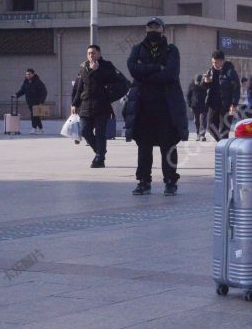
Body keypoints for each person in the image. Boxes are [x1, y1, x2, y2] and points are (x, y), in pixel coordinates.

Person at [125, 17, 189, 196]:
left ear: (163, 30)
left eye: (157, 27)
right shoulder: (137, 49)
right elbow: (132, 69)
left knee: (168, 145)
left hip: (166, 107)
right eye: (150, 26)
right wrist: (156, 68)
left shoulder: (171, 50)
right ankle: (143, 181)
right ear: (146, 29)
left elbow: (170, 73)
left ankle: (170, 181)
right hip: (143, 107)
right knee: (143, 147)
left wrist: (144, 72)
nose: (153, 29)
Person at [71, 45, 122, 167]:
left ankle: (100, 158)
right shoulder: (83, 67)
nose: (90, 55)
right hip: (85, 106)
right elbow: (79, 87)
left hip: (101, 106)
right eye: (88, 53)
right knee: (85, 131)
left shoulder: (106, 66)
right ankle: (100, 152)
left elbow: (113, 80)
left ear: (99, 53)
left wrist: (98, 70)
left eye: (93, 53)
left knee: (100, 133)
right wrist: (74, 103)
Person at [202, 50, 241, 140]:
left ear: (222, 61)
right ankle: (222, 144)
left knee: (224, 131)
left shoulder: (230, 72)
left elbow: (236, 88)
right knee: (210, 127)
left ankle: (223, 148)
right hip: (213, 105)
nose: (214, 64)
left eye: (216, 62)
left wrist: (234, 104)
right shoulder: (210, 71)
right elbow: (204, 86)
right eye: (213, 62)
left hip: (226, 106)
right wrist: (205, 82)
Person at [14, 68, 47, 134]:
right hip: (29, 101)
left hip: (37, 102)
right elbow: (22, 90)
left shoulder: (38, 82)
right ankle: (41, 128)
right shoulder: (26, 82)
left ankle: (34, 128)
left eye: (29, 74)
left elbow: (44, 92)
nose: (27, 75)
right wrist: (16, 95)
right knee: (36, 115)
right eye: (26, 74)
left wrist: (41, 102)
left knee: (34, 115)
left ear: (33, 74)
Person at [186, 74, 208, 141]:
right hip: (194, 106)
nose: (198, 83)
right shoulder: (191, 85)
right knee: (196, 121)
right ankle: (198, 134)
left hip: (204, 105)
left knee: (203, 120)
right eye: (197, 82)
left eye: (199, 81)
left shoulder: (205, 85)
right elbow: (188, 95)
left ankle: (202, 135)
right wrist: (190, 105)